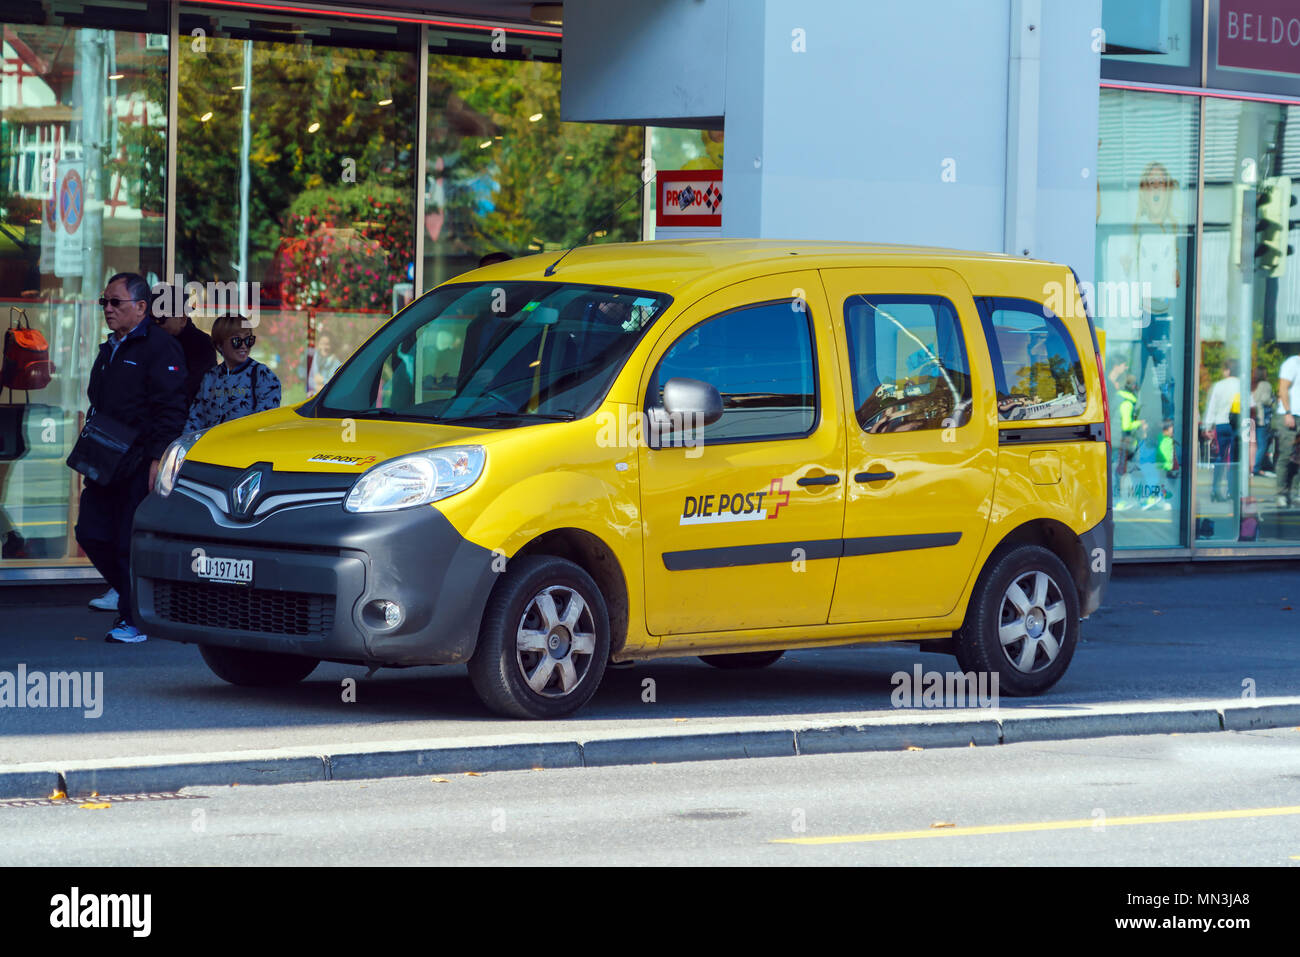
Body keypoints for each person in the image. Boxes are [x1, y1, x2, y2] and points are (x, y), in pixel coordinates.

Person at [75, 272, 188, 643]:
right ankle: (134, 601)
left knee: (128, 542)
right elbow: (97, 396)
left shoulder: (160, 348)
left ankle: (134, 620)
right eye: (103, 301)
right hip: (105, 458)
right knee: (90, 533)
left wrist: (157, 460)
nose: (107, 308)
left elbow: (171, 410)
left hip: (140, 461)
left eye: (115, 302)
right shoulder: (109, 347)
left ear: (140, 307)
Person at [185, 314, 282, 431]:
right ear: (219, 345)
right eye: (237, 340)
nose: (244, 346)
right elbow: (195, 419)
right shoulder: (211, 377)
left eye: (248, 340)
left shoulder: (262, 375)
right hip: (212, 447)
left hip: (244, 447)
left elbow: (265, 423)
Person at [1203, 360, 1241, 504]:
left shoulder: (1219, 385)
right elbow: (1251, 405)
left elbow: (1212, 406)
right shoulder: (1242, 385)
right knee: (1234, 459)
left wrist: (1207, 426)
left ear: (1227, 370)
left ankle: (1215, 489)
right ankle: (1232, 490)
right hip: (1236, 425)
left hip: (1220, 424)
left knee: (1220, 458)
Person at [1277, 351, 1300, 508]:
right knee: (1286, 455)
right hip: (1292, 415)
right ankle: (1282, 494)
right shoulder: (1292, 363)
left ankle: (1297, 493)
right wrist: (1287, 412)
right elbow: (1283, 389)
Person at [1251, 366, 1275, 478]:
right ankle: (1257, 468)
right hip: (1262, 418)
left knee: (1253, 444)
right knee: (1263, 445)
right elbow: (1265, 399)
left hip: (1252, 417)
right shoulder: (1265, 385)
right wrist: (1273, 400)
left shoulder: (1251, 385)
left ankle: (1254, 466)